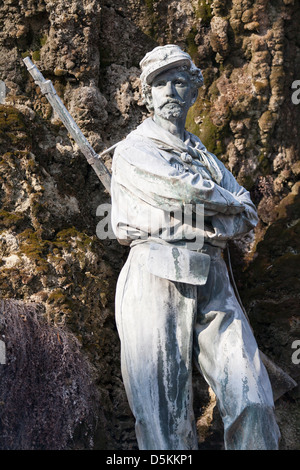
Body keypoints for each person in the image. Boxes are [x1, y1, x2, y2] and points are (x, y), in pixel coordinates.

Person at [110, 44, 280, 450]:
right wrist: (222, 205)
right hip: (156, 271)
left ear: (192, 92)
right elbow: (181, 191)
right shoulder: (135, 149)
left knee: (253, 399)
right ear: (147, 95)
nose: (170, 90)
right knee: (163, 422)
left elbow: (248, 214)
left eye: (179, 82)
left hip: (214, 276)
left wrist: (218, 209)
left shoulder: (205, 157)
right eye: (160, 83)